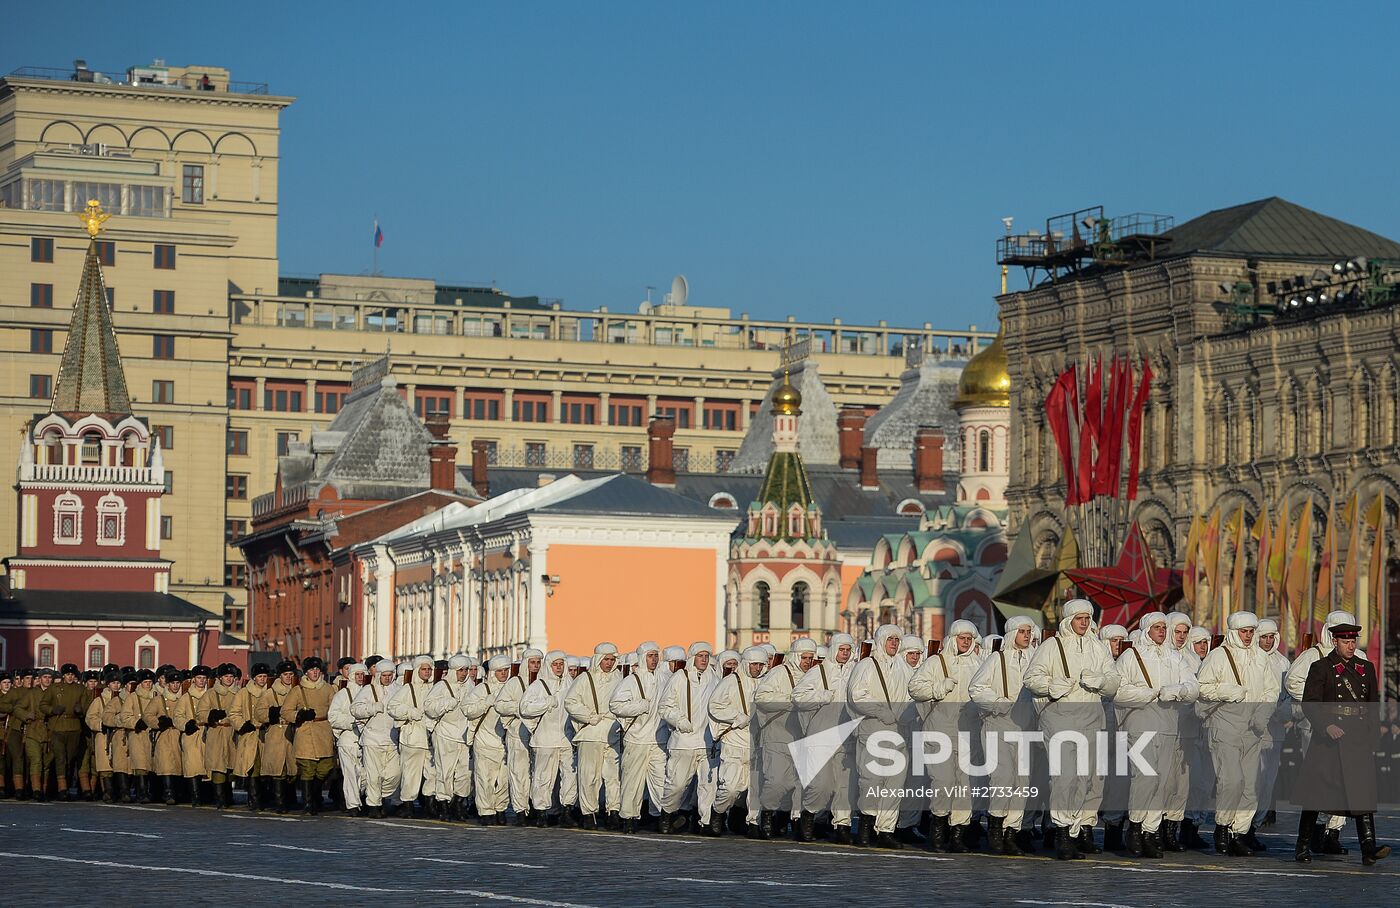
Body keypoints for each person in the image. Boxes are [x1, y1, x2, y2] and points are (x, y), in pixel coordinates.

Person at [1022, 598, 1121, 860]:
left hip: (1091, 719)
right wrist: (1051, 685)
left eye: (1087, 618)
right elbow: (1031, 678)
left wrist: (1101, 681)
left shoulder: (1097, 647)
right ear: (1069, 620)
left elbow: (1114, 681)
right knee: (1064, 777)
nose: (1084, 623)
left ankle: (1074, 832)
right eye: (1079, 618)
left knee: (1084, 779)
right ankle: (1062, 831)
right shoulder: (1052, 646)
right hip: (1060, 719)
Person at [1295, 622, 1390, 865]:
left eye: (1353, 641)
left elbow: (1372, 705)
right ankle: (1303, 846)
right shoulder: (1321, 667)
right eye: (1346, 642)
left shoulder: (1365, 668)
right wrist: (1325, 725)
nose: (1351, 646)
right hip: (1329, 741)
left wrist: (1373, 740)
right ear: (1334, 642)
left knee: (1362, 795)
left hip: (1357, 740)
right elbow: (1310, 703)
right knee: (1316, 795)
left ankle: (1368, 848)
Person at [1113, 611, 1199, 858]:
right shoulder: (1131, 656)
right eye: (1157, 627)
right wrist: (1148, 693)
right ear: (1146, 630)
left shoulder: (1175, 657)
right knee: (1145, 777)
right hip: (1140, 723)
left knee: (1162, 781)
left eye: (1164, 627)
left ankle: (1150, 832)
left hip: (1169, 725)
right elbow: (1117, 692)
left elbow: (1193, 688)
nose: (1162, 631)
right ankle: (1135, 827)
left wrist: (1177, 690)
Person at [1287, 609, 1361, 856]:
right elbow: (1293, 682)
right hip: (1317, 728)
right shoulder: (1313, 656)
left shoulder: (1359, 658)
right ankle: (1314, 834)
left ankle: (1333, 833)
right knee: (1319, 781)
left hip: (1349, 730)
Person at [1197, 611, 1270, 856]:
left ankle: (1239, 833)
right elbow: (1202, 688)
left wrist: (1263, 714)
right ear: (1234, 632)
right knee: (1232, 780)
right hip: (1225, 723)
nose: (1248, 636)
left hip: (1253, 727)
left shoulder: (1261, 657)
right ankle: (1223, 825)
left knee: (1250, 785)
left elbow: (1271, 690)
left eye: (1251, 631)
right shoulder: (1218, 656)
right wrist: (1228, 691)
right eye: (1244, 631)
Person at [910, 619, 984, 852]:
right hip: (939, 729)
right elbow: (914, 688)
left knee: (965, 785)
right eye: (962, 638)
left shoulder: (979, 664)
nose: (966, 642)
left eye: (969, 638)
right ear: (953, 639)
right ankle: (938, 829)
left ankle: (957, 834)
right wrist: (938, 688)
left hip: (969, 732)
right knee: (943, 782)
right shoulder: (936, 662)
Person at [969, 615, 1040, 854]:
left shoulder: (1035, 658)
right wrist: (998, 703)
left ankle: (1012, 832)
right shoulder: (997, 659)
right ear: (1012, 634)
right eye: (1022, 631)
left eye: (1028, 632)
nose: (1026, 636)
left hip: (1025, 727)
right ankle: (996, 830)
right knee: (1003, 778)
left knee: (1022, 781)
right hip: (998, 724)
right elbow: (976, 688)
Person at [847, 624, 912, 849]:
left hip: (899, 733)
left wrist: (906, 714)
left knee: (894, 785)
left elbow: (912, 695)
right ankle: (866, 826)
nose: (894, 643)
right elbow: (857, 695)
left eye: (897, 639)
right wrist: (881, 711)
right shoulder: (866, 665)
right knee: (871, 780)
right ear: (881, 641)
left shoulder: (904, 667)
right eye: (890, 639)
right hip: (873, 730)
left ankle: (886, 829)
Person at [792, 632, 857, 843]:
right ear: (834, 650)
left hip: (847, 736)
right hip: (820, 735)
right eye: (841, 649)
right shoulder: (819, 671)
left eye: (848, 650)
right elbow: (798, 696)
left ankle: (842, 826)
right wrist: (821, 696)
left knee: (845, 786)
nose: (845, 653)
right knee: (821, 784)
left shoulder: (856, 671)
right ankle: (808, 816)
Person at [754, 637, 818, 839]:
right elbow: (761, 698)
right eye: (804, 657)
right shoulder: (779, 673)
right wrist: (790, 702)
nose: (807, 661)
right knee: (777, 781)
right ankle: (767, 815)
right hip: (777, 734)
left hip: (804, 736)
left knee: (801, 784)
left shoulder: (816, 676)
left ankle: (797, 822)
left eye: (810, 658)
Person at [659, 641, 717, 834]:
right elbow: (665, 706)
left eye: (707, 656)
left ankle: (705, 822)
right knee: (677, 784)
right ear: (693, 658)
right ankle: (667, 814)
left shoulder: (714, 678)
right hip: (683, 741)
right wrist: (679, 720)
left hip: (706, 742)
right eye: (700, 656)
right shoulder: (680, 677)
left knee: (708, 785)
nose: (704, 660)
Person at [610, 641, 668, 833]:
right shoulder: (631, 681)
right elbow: (615, 705)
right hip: (636, 738)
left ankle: (661, 818)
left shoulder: (665, 679)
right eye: (650, 656)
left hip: (658, 740)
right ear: (642, 658)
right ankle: (629, 818)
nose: (654, 659)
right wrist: (639, 706)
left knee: (660, 781)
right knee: (632, 781)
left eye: (656, 656)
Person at [709, 646, 766, 836]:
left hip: (758, 743)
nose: (757, 668)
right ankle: (717, 812)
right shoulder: (731, 681)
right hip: (734, 741)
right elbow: (715, 706)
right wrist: (736, 717)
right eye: (754, 664)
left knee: (757, 789)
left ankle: (754, 824)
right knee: (731, 788)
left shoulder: (765, 682)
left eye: (761, 665)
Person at [564, 642, 622, 829]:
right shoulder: (585, 678)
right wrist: (588, 716)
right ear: (598, 660)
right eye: (606, 659)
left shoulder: (619, 678)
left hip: (612, 733)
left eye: (612, 659)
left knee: (613, 776)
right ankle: (589, 813)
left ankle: (614, 811)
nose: (609, 663)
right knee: (589, 776)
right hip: (591, 733)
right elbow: (570, 702)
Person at [520, 649, 578, 826]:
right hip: (545, 739)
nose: (559, 667)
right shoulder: (538, 685)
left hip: (566, 738)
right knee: (543, 777)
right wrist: (547, 702)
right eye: (555, 664)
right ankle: (541, 811)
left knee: (570, 776)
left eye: (561, 664)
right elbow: (525, 708)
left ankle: (567, 810)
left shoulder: (570, 683)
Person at [281, 656, 335, 814]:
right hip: (305, 731)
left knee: (326, 767)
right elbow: (285, 711)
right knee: (307, 768)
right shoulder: (298, 690)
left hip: (323, 730)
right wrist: (299, 715)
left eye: (317, 669)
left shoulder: (328, 689)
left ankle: (314, 793)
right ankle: (308, 802)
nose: (315, 672)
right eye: (312, 670)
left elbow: (335, 708)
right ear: (306, 672)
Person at [495, 648, 543, 825]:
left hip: (540, 734)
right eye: (532, 662)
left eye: (538, 662)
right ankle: (520, 810)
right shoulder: (515, 683)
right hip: (517, 733)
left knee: (538, 774)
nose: (536, 666)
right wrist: (521, 708)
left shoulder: (544, 683)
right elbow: (500, 705)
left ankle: (536, 808)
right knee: (519, 773)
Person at [463, 655, 512, 825]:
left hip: (505, 742)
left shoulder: (512, 688)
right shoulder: (482, 689)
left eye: (506, 670)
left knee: (504, 779)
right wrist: (486, 703)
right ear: (492, 672)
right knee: (485, 778)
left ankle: (500, 808)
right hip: (484, 740)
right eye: (500, 671)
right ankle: (486, 811)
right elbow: (467, 709)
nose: (504, 674)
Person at [1252, 619, 1290, 836]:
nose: (1267, 641)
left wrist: (1283, 712)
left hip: (1274, 729)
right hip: (1251, 728)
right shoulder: (1250, 659)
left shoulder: (1283, 663)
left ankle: (1259, 819)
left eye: (1270, 637)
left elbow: (1289, 692)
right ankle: (1243, 824)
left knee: (1268, 779)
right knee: (1252, 778)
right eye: (1263, 637)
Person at [425, 655, 473, 821]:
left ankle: (458, 803)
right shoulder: (441, 686)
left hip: (464, 735)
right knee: (445, 772)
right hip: (445, 734)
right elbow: (429, 707)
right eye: (460, 670)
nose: (464, 673)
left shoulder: (470, 686)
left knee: (465, 773)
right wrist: (446, 703)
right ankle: (443, 804)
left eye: (466, 670)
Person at [352, 660, 401, 818]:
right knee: (373, 775)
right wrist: (372, 708)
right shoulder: (368, 690)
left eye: (390, 675)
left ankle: (382, 796)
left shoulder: (398, 690)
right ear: (379, 675)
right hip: (372, 739)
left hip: (392, 740)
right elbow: (355, 709)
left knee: (394, 774)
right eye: (384, 675)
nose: (387, 678)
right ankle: (374, 805)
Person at [388, 654, 435, 816]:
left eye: (429, 669)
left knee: (433, 773)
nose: (427, 672)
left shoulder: (435, 687)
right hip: (412, 737)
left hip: (430, 738)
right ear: (417, 671)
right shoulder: (408, 689)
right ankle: (407, 805)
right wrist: (410, 712)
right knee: (411, 774)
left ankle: (430, 804)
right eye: (424, 669)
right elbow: (392, 707)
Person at [257, 661, 300, 812]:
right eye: (285, 674)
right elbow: (259, 713)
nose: (288, 677)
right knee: (278, 769)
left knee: (293, 768)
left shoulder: (298, 691)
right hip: (276, 732)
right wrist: (271, 714)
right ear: (279, 676)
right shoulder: (270, 693)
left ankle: (291, 798)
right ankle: (280, 802)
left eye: (291, 674)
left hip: (294, 731)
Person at [199, 663, 243, 809]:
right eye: (226, 676)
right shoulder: (211, 694)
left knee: (231, 765)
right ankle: (219, 798)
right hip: (216, 731)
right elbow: (201, 713)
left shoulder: (240, 693)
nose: (229, 679)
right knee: (218, 766)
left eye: (231, 676)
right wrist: (210, 715)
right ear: (220, 678)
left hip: (232, 731)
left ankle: (228, 795)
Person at [328, 662, 368, 817]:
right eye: (357, 674)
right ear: (351, 676)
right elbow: (333, 717)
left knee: (365, 775)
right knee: (350, 774)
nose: (360, 677)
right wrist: (352, 722)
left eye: (363, 674)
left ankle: (360, 798)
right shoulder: (343, 694)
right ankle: (352, 805)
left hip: (366, 740)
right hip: (348, 739)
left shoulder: (370, 692)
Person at [145, 669, 185, 805]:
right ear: (167, 684)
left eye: (178, 683)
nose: (175, 686)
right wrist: (158, 722)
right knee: (166, 764)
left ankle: (178, 792)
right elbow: (147, 715)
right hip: (164, 735)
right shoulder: (158, 700)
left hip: (179, 734)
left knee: (179, 765)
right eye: (172, 683)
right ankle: (168, 792)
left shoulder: (184, 699)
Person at [234, 664, 271, 810]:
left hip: (267, 733)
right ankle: (254, 798)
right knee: (253, 766)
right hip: (250, 734)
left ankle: (265, 797)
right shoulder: (244, 693)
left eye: (264, 676)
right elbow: (234, 713)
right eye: (259, 676)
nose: (262, 679)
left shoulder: (270, 692)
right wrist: (242, 725)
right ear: (254, 678)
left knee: (267, 767)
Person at [48, 664, 87, 801]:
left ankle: (66, 785)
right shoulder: (54, 688)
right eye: (67, 674)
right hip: (58, 726)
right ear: (63, 676)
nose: (70, 677)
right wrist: (52, 710)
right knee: (60, 758)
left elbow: (87, 705)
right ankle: (62, 788)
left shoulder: (80, 689)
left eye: (72, 675)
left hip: (74, 726)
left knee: (70, 758)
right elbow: (43, 705)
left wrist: (80, 710)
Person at [121, 668, 157, 804]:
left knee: (152, 764)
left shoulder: (157, 696)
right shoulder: (133, 697)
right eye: (145, 682)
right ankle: (142, 792)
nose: (148, 684)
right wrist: (135, 722)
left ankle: (152, 791)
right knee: (140, 763)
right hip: (138, 734)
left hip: (153, 734)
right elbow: (125, 716)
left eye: (150, 682)